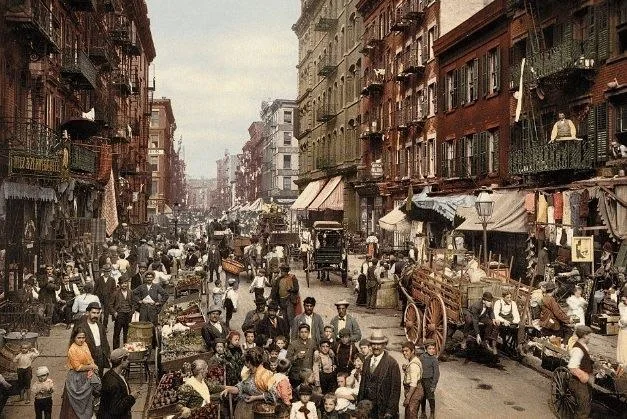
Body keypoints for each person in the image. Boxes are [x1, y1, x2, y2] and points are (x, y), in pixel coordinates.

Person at [357, 330, 401, 419]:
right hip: (367, 408)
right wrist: (359, 404)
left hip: (383, 408)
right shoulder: (367, 360)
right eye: (373, 344)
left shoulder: (392, 363)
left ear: (384, 345)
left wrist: (390, 411)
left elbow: (395, 390)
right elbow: (363, 384)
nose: (376, 347)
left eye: (379, 344)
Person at [220, 347, 274, 419]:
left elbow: (273, 395)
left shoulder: (265, 374)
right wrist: (229, 389)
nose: (244, 363)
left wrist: (255, 397)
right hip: (244, 409)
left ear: (249, 362)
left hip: (259, 412)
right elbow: (241, 387)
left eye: (245, 361)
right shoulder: (248, 374)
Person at [60, 326, 101, 419]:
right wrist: (91, 367)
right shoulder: (72, 349)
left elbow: (90, 359)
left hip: (87, 373)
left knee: (95, 392)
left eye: (83, 337)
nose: (81, 340)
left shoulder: (85, 345)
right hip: (76, 378)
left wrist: (93, 369)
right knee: (75, 404)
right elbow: (77, 367)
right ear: (74, 338)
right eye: (79, 338)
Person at [98, 348, 137, 419]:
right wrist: (132, 397)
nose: (128, 362)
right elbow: (116, 409)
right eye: (127, 359)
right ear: (122, 360)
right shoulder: (113, 383)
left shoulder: (111, 374)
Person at [76, 302, 111, 373]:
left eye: (98, 313)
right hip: (88, 354)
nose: (96, 315)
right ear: (87, 313)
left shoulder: (100, 326)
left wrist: (108, 354)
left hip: (100, 353)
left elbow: (105, 341)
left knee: (99, 375)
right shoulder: (81, 327)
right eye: (93, 313)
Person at [568, 326, 594, 419]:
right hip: (578, 383)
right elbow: (572, 367)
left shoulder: (583, 347)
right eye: (589, 335)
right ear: (584, 336)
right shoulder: (578, 350)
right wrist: (585, 376)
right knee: (583, 410)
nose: (590, 338)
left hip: (582, 382)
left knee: (586, 405)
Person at [287, 323, 317, 389]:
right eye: (301, 332)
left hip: (309, 375)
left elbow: (318, 353)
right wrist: (296, 356)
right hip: (297, 376)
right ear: (299, 333)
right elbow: (287, 360)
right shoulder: (293, 344)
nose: (303, 334)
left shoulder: (312, 343)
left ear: (309, 333)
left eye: (306, 332)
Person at [110, 277, 135, 349]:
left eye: (125, 283)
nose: (124, 285)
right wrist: (114, 312)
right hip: (119, 315)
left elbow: (133, 303)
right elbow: (110, 305)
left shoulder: (130, 292)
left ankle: (126, 350)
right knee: (117, 333)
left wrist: (132, 311)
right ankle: (116, 351)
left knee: (126, 333)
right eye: (122, 283)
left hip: (128, 314)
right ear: (120, 284)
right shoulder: (115, 293)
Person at [401, 341, 423, 419]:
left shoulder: (413, 365)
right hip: (414, 391)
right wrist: (406, 369)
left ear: (413, 351)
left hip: (414, 391)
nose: (404, 353)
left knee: (411, 414)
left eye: (406, 351)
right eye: (403, 351)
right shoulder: (414, 360)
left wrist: (408, 398)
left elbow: (413, 384)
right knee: (409, 414)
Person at [419, 341, 440, 419]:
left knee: (430, 397)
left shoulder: (434, 360)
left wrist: (433, 384)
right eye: (430, 349)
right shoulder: (421, 357)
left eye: (433, 349)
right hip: (422, 381)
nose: (432, 350)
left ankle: (432, 413)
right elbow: (418, 367)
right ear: (426, 349)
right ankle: (423, 412)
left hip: (429, 381)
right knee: (422, 397)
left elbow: (437, 373)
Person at [94, 263, 116, 330]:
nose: (106, 273)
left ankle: (105, 326)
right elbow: (95, 288)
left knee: (106, 314)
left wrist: (113, 298)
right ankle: (99, 325)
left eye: (108, 271)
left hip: (108, 299)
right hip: (100, 298)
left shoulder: (112, 280)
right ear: (103, 272)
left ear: (109, 272)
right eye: (105, 271)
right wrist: (94, 297)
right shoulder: (99, 279)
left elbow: (114, 290)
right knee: (99, 312)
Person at [618, 286, 627, 367]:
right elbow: (621, 317)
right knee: (622, 343)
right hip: (623, 327)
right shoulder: (621, 305)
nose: (624, 302)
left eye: (625, 300)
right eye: (623, 300)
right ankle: (623, 361)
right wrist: (620, 322)